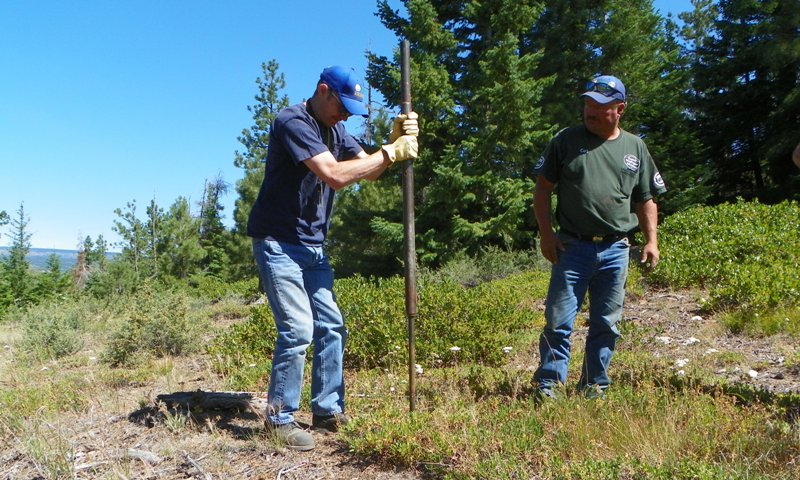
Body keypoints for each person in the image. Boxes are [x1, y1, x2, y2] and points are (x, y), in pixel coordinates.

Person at [247, 65, 419, 450]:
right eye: (341, 105)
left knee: (332, 325)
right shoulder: (294, 121)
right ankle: (279, 420)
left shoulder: (337, 130)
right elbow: (336, 175)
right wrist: (391, 153)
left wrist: (390, 147)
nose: (345, 115)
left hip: (313, 245)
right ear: (323, 90)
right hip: (279, 243)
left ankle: (326, 410)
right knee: (297, 329)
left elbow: (369, 171)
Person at [531, 74, 666, 400]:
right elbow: (542, 189)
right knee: (558, 321)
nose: (590, 111)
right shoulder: (566, 140)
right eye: (588, 103)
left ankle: (594, 387)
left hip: (616, 248)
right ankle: (548, 388)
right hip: (572, 247)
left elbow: (646, 198)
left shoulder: (635, 147)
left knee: (606, 323)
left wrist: (651, 241)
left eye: (600, 106)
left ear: (620, 108)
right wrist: (547, 235)